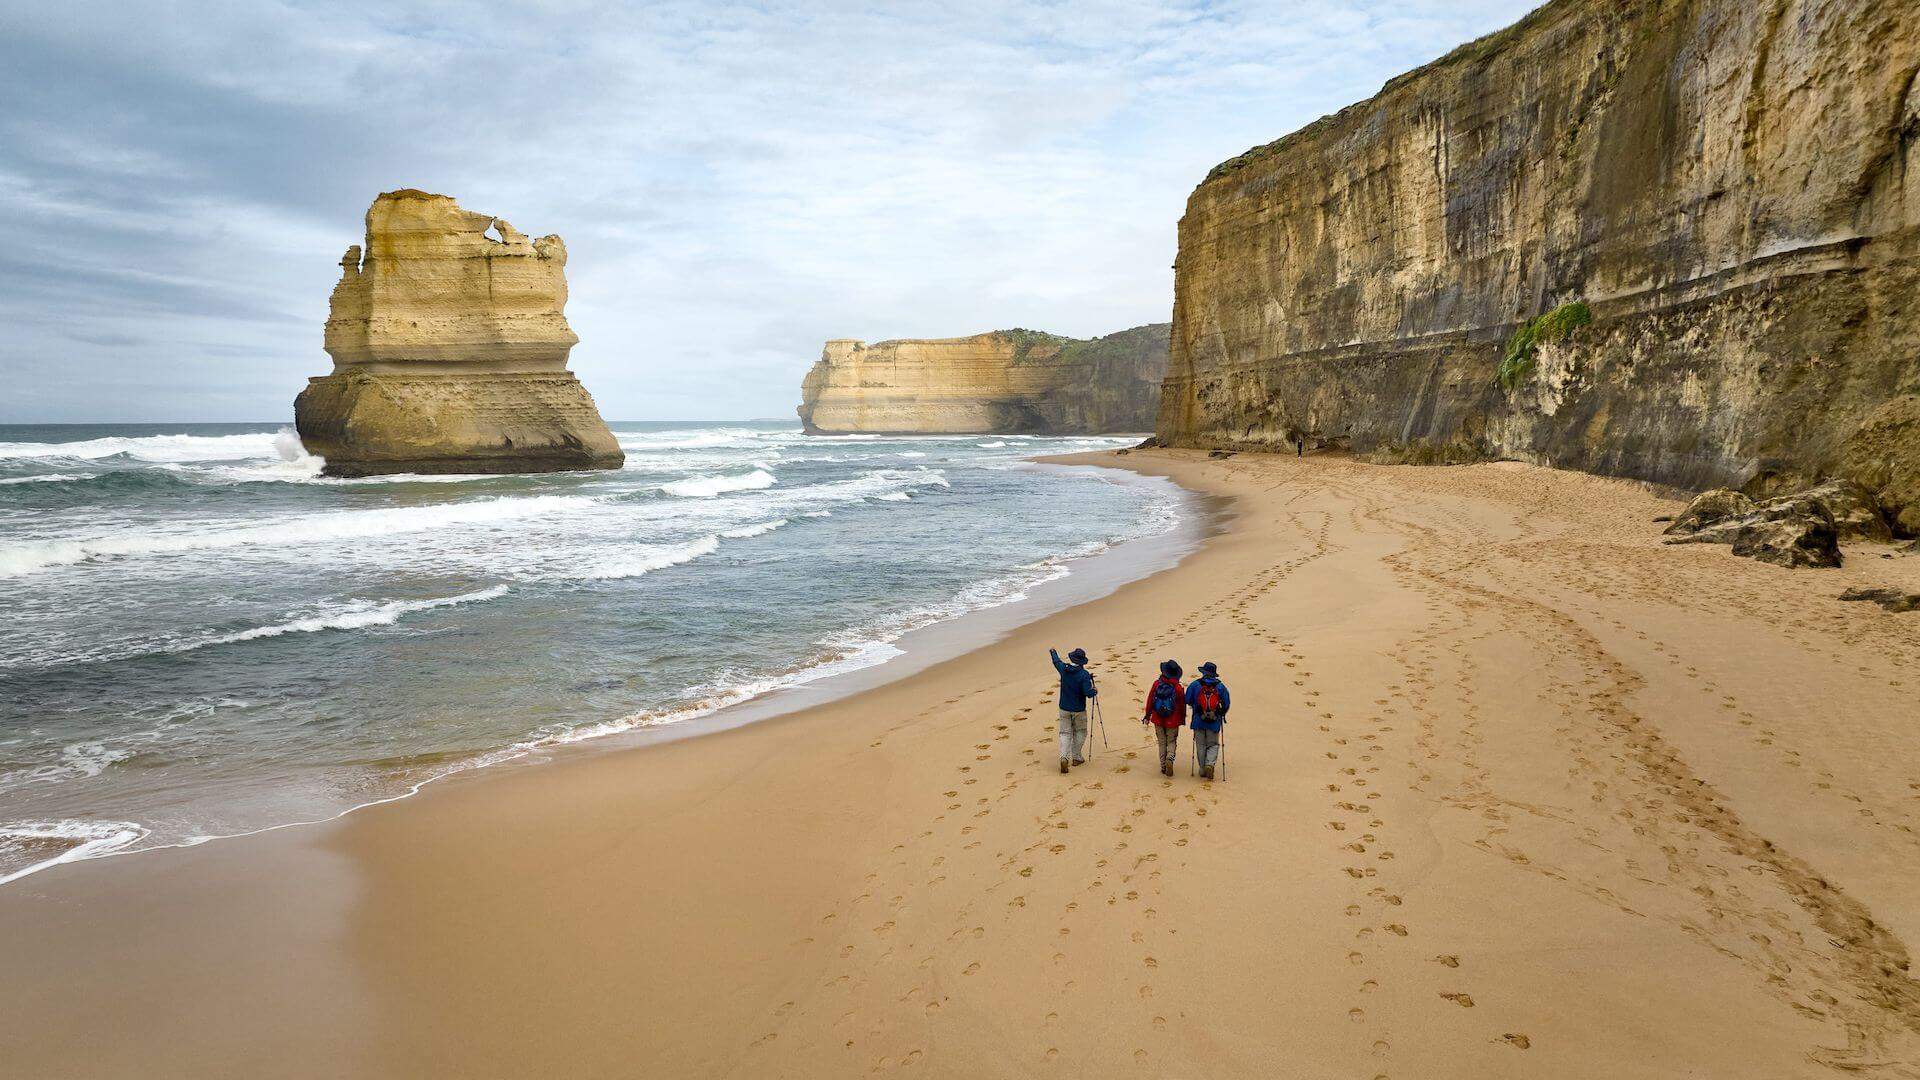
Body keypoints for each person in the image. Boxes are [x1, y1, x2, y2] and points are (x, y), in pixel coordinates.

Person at [1049, 647, 1098, 773]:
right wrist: (1094, 690)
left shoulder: (1064, 669)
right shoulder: (1084, 675)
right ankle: (1076, 757)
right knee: (1081, 732)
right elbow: (1088, 693)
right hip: (1079, 710)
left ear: (1072, 658)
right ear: (1082, 662)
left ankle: (1064, 757)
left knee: (1065, 733)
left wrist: (1053, 652)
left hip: (1064, 707)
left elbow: (1056, 662)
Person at [1186, 661, 1230, 779]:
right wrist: (1221, 713)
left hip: (1198, 720)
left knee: (1200, 745)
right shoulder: (1220, 686)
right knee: (1213, 745)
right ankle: (1210, 764)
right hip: (1214, 721)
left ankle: (1202, 770)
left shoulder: (1195, 684)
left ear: (1203, 672)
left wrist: (1195, 706)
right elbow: (1226, 703)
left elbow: (1188, 699)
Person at [1141, 660, 1186, 776]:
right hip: (1173, 719)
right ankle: (1170, 758)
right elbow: (1182, 705)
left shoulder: (1156, 684)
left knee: (1162, 743)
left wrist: (1147, 715)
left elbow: (1150, 700)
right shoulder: (1178, 688)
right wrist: (1182, 719)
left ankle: (1163, 766)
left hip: (1158, 718)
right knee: (1171, 741)